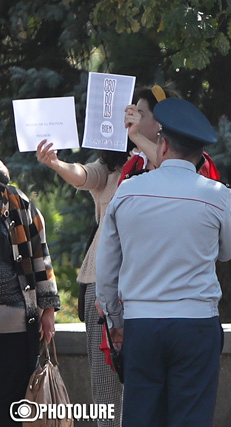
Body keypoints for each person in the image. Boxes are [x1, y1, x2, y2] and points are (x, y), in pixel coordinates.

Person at [96, 98, 231, 426]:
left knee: (141, 416)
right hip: (196, 323)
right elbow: (229, 251)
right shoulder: (216, 194)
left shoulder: (128, 191)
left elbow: (107, 264)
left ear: (161, 146)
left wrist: (114, 319)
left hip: (142, 322)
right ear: (201, 155)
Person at [36, 139, 128, 427]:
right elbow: (84, 175)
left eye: (139, 113)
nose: (131, 120)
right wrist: (55, 163)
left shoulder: (167, 164)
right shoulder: (111, 167)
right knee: (108, 394)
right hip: (102, 285)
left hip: (149, 288)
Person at [0, 160, 60, 426]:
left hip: (17, 324)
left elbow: (41, 256)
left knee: (15, 406)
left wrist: (48, 311)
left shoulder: (19, 204)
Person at [122, 85, 220, 183]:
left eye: (140, 114)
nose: (133, 118)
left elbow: (176, 169)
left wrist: (136, 136)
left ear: (161, 120)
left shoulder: (193, 156)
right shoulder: (136, 161)